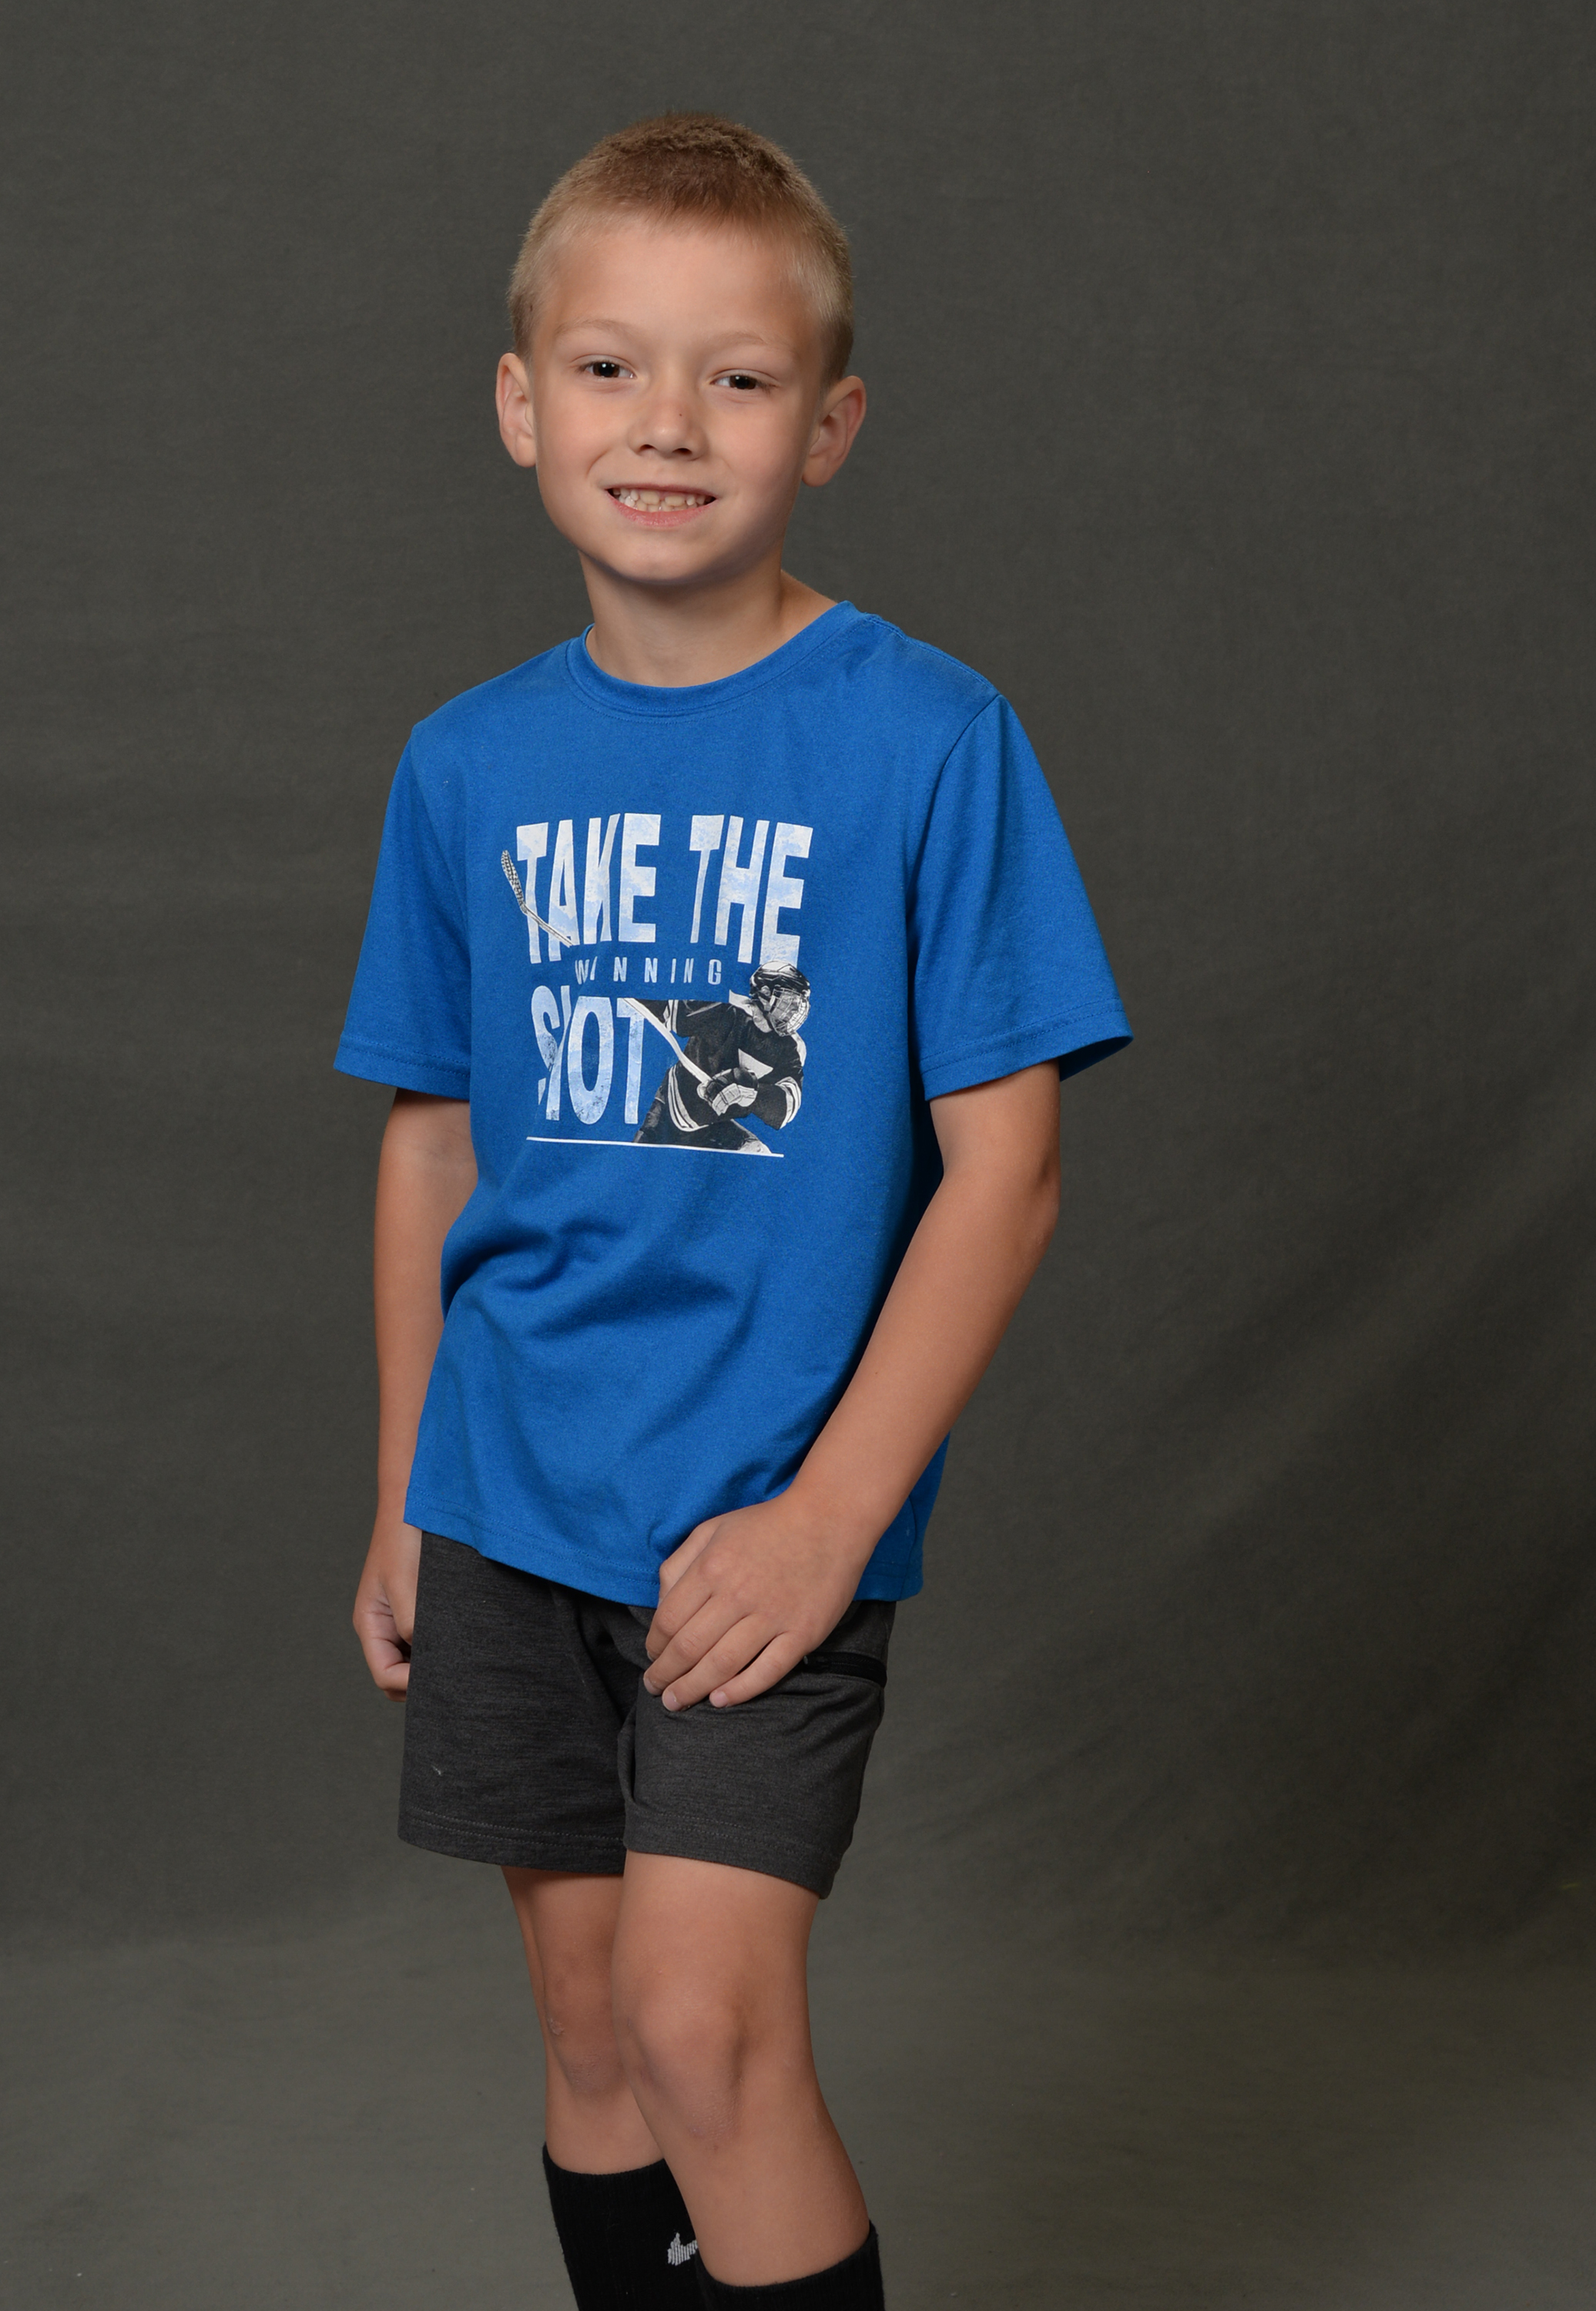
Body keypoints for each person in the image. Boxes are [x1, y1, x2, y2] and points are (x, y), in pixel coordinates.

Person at [337, 113, 1129, 2310]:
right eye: (609, 368)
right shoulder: (463, 767)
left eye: (738, 376)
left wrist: (828, 1516)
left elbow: (1006, 1170)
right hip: (510, 1494)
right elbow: (432, 1145)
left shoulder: (926, 739)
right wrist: (402, 1488)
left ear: (829, 424)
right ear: (521, 406)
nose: (666, 424)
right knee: (595, 2032)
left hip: (762, 1512)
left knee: (704, 2026)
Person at [631, 961, 811, 1153]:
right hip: (673, 1109)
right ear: (766, 993)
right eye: (789, 1001)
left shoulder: (792, 1048)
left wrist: (754, 1094)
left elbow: (788, 1106)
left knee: (756, 1153)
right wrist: (625, 983)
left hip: (715, 1125)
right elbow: (668, 1009)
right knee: (638, 1160)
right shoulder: (727, 1010)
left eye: (798, 1004)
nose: (794, 1010)